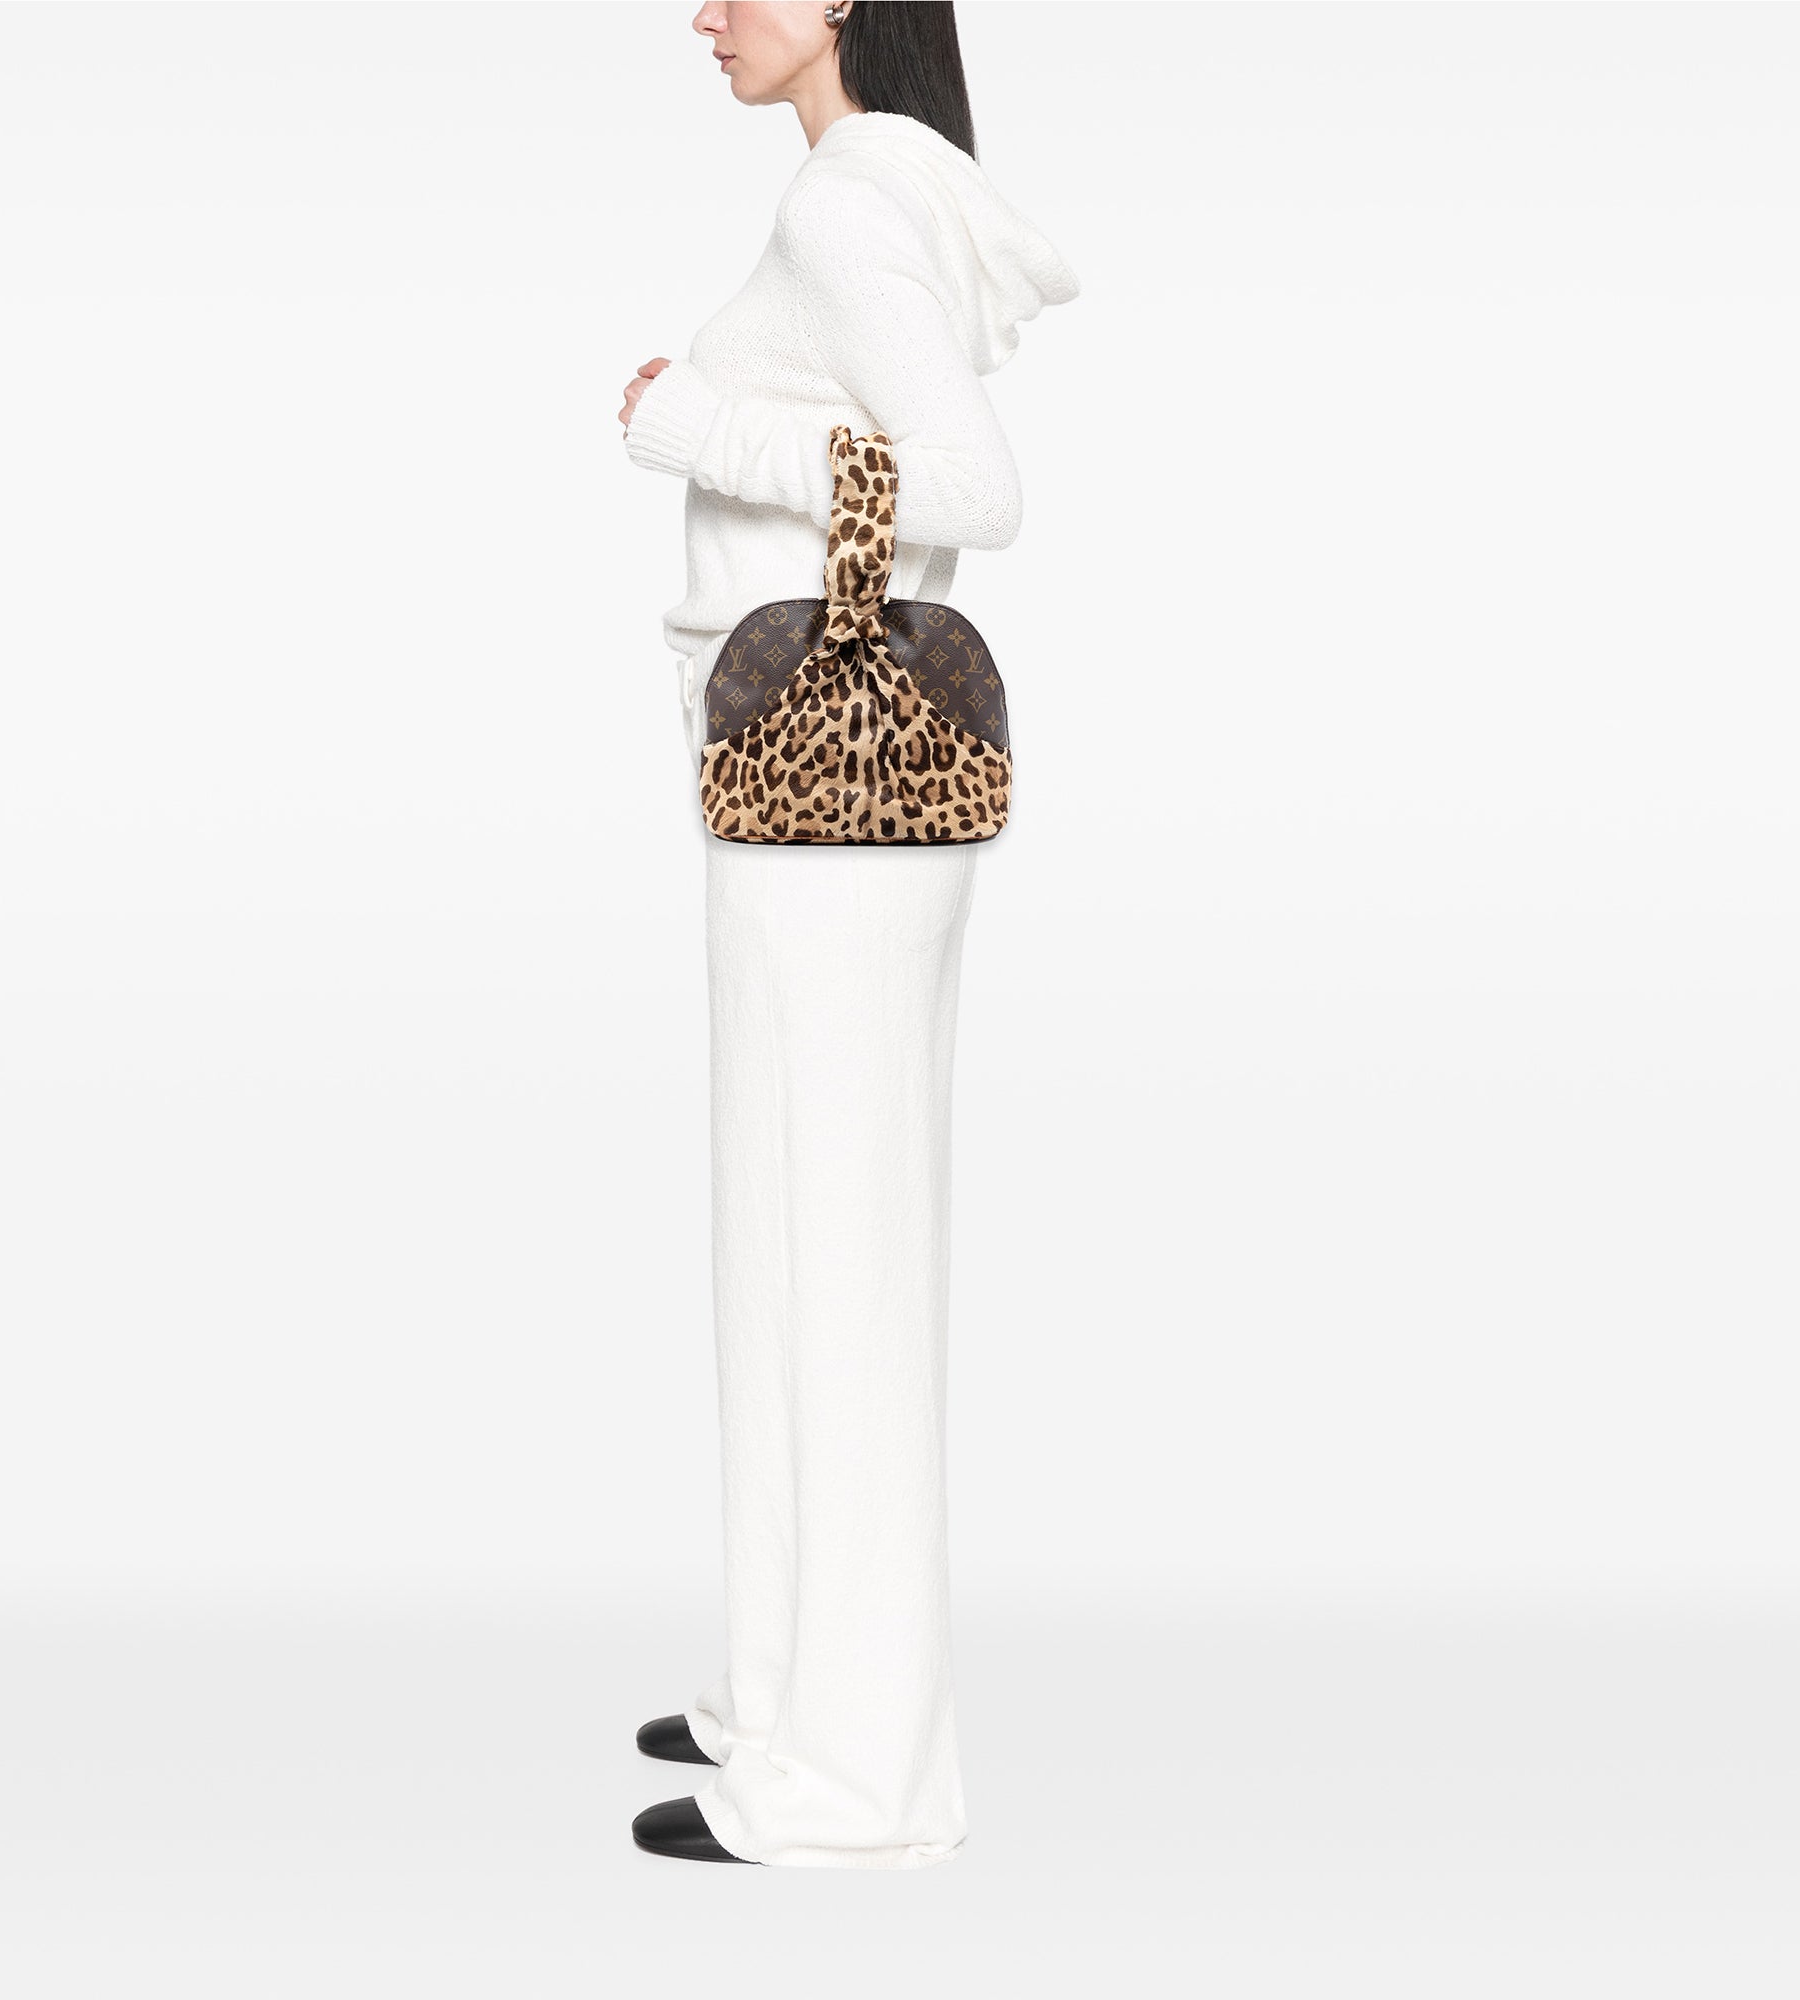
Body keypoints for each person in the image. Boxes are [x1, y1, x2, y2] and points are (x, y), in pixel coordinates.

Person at [616, 0, 1078, 1869]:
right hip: (795, 793)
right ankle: (784, 1698)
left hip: (835, 799)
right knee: (790, 1237)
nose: (706, 13)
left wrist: (698, 426)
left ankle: (863, 1784)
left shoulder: (846, 209)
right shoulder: (881, 191)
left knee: (842, 1256)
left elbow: (976, 487)